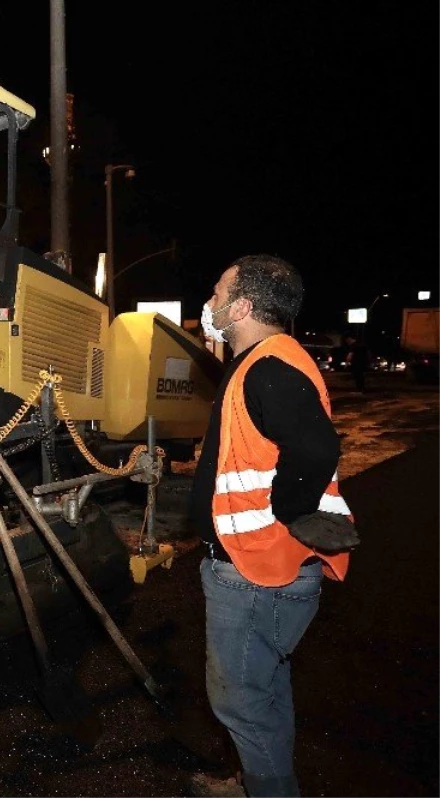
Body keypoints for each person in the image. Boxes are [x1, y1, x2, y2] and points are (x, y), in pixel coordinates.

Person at [189, 255, 353, 798]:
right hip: (265, 565)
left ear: (240, 307)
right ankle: (258, 781)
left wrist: (286, 507)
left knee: (242, 702)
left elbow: (316, 446)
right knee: (265, 688)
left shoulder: (268, 367)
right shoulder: (265, 361)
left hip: (257, 567)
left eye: (217, 293)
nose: (209, 303)